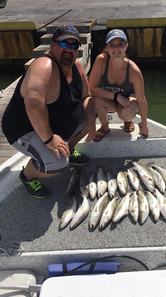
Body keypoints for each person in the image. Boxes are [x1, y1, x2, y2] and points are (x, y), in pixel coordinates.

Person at [2, 25, 96, 199]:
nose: (69, 50)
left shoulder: (77, 67)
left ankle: (68, 147)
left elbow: (86, 97)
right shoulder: (44, 66)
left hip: (53, 124)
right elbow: (33, 105)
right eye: (64, 44)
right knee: (58, 165)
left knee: (91, 111)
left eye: (74, 46)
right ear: (52, 45)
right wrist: (50, 139)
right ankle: (27, 176)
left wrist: (90, 119)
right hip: (25, 128)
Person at [89, 29, 149, 142]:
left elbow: (141, 99)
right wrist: (117, 97)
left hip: (127, 99)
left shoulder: (133, 70)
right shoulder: (101, 61)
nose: (116, 48)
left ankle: (127, 121)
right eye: (112, 45)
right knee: (95, 100)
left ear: (126, 46)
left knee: (127, 112)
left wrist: (144, 125)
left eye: (120, 44)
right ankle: (104, 126)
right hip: (111, 99)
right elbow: (91, 89)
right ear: (107, 48)